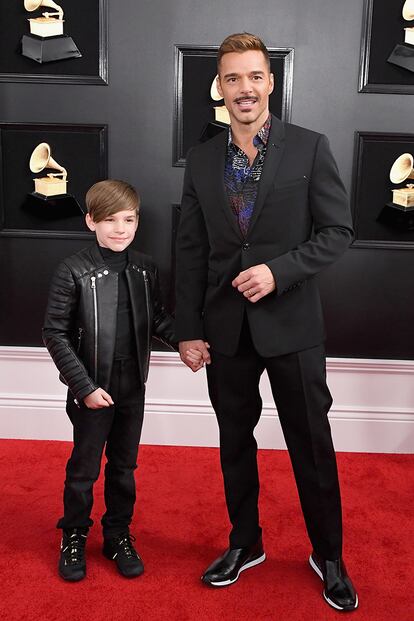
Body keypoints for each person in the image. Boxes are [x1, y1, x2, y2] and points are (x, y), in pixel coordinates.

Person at [175, 33, 358, 611]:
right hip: (224, 330)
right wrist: (187, 327)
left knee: (312, 442)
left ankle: (328, 554)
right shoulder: (202, 157)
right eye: (232, 79)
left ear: (270, 82)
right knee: (235, 443)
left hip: (294, 326)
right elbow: (190, 248)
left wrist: (280, 272)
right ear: (220, 88)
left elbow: (337, 232)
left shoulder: (310, 147)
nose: (244, 89)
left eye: (254, 77)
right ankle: (245, 543)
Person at [43, 179, 201, 582]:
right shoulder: (72, 269)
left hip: (133, 384)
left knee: (124, 467)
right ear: (90, 221)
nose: (120, 229)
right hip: (92, 386)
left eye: (128, 220)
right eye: (110, 220)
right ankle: (74, 535)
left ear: (137, 222)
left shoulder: (145, 267)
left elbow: (157, 319)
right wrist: (84, 387)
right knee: (84, 469)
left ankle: (117, 535)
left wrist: (185, 341)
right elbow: (55, 334)